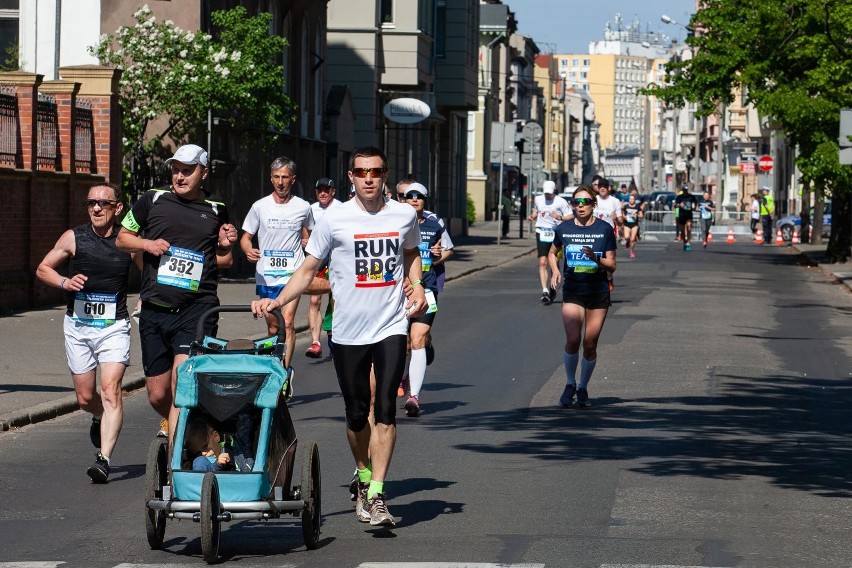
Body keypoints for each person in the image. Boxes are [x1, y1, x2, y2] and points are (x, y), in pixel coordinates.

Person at [251, 146, 427, 527]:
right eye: (361, 171)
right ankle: (363, 477)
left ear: (385, 175)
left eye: (376, 172)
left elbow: (411, 253)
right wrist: (277, 300)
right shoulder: (335, 219)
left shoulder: (403, 215)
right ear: (351, 176)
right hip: (347, 330)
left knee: (384, 408)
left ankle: (378, 493)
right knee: (355, 413)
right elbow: (308, 267)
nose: (368, 178)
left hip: (391, 324)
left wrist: (417, 284)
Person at [117, 144, 238, 443]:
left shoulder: (216, 208)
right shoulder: (152, 199)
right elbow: (122, 238)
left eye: (187, 171)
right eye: (175, 170)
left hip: (196, 309)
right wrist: (147, 245)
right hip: (155, 309)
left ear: (204, 173)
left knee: (181, 382)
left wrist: (224, 244)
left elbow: (225, 259)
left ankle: (175, 466)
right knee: (158, 394)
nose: (180, 176)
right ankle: (191, 425)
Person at [36, 183, 142, 483]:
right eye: (91, 203)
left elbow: (150, 273)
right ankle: (97, 416)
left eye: (103, 203)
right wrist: (64, 282)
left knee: (110, 391)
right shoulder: (73, 237)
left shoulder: (127, 240)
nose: (96, 208)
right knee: (85, 398)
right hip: (78, 326)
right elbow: (43, 268)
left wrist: (145, 296)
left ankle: (104, 459)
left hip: (114, 327)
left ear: (117, 208)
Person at [240, 157, 314, 370]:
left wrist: (307, 240)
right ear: (271, 179)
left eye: (285, 177)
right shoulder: (260, 206)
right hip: (266, 275)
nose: (281, 182)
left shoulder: (303, 207)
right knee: (274, 327)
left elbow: (309, 231)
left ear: (293, 179)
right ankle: (273, 364)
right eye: (276, 177)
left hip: (293, 275)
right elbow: (246, 237)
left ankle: (283, 373)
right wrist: (248, 250)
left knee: (288, 321)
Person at [548, 185, 616, 409]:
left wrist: (596, 260)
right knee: (573, 340)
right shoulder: (564, 229)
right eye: (576, 202)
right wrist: (555, 270)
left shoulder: (604, 229)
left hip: (598, 291)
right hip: (573, 290)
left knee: (589, 344)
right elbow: (552, 252)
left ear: (593, 204)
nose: (581, 206)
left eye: (586, 202)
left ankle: (583, 388)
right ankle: (570, 384)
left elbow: (612, 265)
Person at [399, 182, 447, 417]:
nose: (414, 199)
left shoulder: (434, 225)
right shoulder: (394, 223)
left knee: (417, 339)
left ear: (425, 200)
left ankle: (414, 397)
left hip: (427, 288)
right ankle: (402, 376)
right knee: (403, 342)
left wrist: (437, 256)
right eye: (410, 196)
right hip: (398, 291)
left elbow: (446, 249)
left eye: (419, 196)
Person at [305, 177, 341, 359]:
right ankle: (315, 342)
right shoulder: (310, 209)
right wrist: (305, 239)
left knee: (336, 300)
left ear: (333, 191)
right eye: (320, 190)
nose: (323, 193)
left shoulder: (341, 209)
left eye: (327, 190)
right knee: (314, 301)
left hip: (335, 260)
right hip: (318, 260)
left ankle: (337, 336)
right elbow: (304, 231)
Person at [528, 180, 571, 304]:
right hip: (541, 232)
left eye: (550, 194)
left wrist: (559, 217)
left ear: (554, 191)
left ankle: (553, 287)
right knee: (542, 262)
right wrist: (532, 216)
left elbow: (570, 216)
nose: (548, 196)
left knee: (554, 263)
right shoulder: (538, 199)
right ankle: (545, 291)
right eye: (546, 193)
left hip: (556, 233)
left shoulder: (561, 202)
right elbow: (536, 211)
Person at [592, 178, 622, 290]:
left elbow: (620, 222)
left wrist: (616, 219)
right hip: (595, 234)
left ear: (609, 188)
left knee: (610, 261)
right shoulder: (593, 200)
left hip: (609, 234)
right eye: (600, 186)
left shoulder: (615, 201)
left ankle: (609, 278)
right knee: (596, 258)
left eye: (605, 186)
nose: (602, 188)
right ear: (597, 188)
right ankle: (597, 282)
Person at [674, 184, 698, 251]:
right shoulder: (679, 197)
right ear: (682, 190)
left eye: (686, 190)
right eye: (684, 190)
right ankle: (685, 242)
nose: (685, 191)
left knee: (689, 227)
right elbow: (675, 205)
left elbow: (696, 202)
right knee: (682, 230)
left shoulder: (691, 196)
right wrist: (678, 204)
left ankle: (688, 242)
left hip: (689, 214)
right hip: (681, 215)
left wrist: (696, 207)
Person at [622, 193, 642, 259]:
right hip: (627, 224)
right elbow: (623, 215)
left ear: (634, 200)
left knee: (632, 239)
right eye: (630, 199)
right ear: (629, 200)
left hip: (634, 224)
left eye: (633, 199)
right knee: (627, 237)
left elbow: (641, 215)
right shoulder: (626, 206)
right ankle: (628, 242)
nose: (631, 200)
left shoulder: (637, 207)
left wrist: (636, 215)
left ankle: (631, 252)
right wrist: (625, 217)